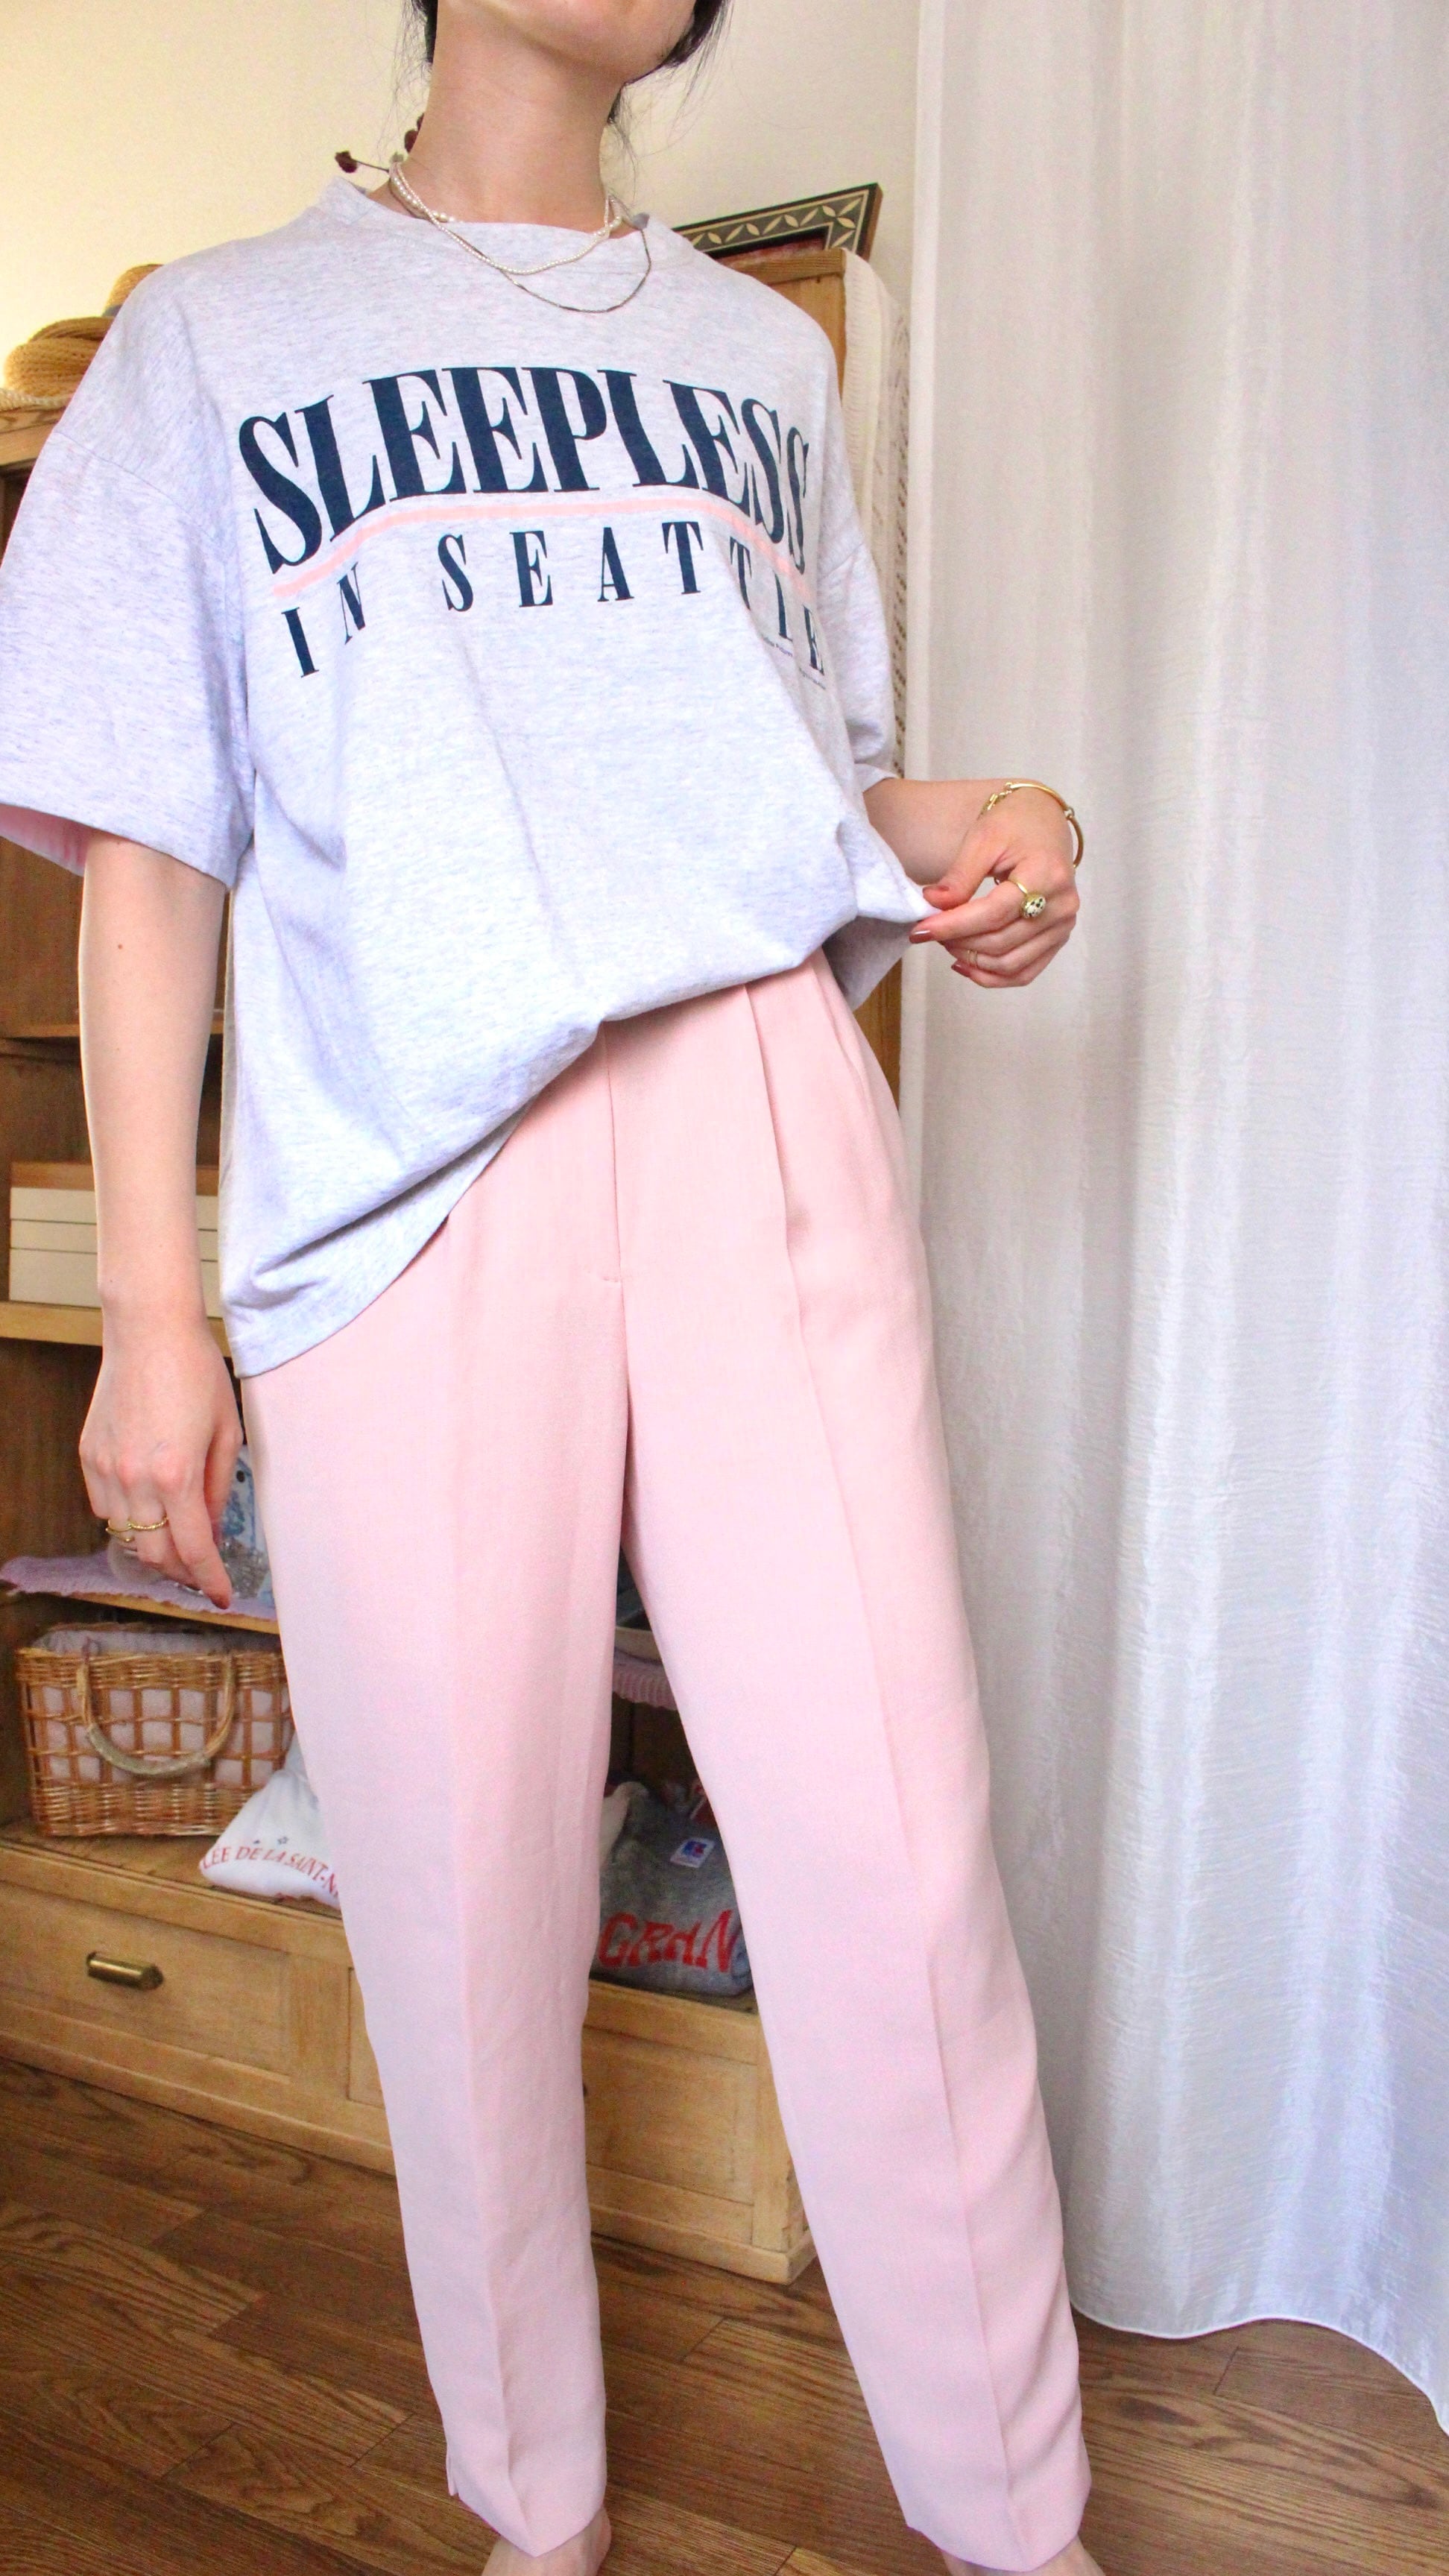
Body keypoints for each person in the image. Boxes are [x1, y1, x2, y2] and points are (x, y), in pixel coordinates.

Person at [0, 6, 1100, 2573]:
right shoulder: (214, 342)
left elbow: (788, 787)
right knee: (460, 1908)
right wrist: (151, 1317)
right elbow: (156, 848)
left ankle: (1021, 2532)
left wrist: (999, 818)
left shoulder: (759, 361)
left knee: (896, 1860)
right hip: (410, 1175)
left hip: (754, 1106)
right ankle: (538, 2510)